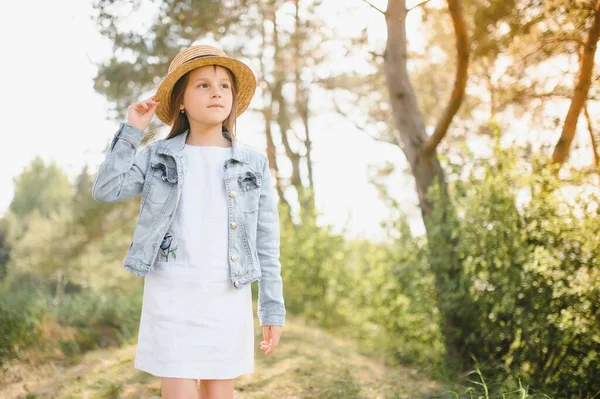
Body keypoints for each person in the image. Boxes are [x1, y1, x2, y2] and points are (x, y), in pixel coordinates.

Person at [91, 44, 286, 399]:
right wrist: (133, 130)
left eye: (224, 85)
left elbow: (266, 243)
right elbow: (106, 189)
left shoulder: (252, 164)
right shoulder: (157, 156)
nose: (216, 92)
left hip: (227, 293)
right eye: (203, 85)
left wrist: (271, 308)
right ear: (181, 99)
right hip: (172, 293)